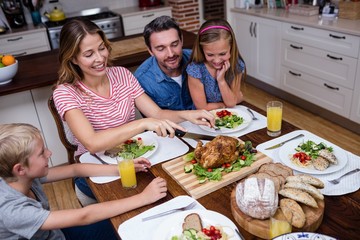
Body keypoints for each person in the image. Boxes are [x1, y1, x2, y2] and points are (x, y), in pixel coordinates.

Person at [52, 18, 214, 206]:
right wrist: (141, 124)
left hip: (136, 161)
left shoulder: (122, 74)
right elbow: (92, 143)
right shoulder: (65, 92)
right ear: (73, 58)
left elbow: (157, 113)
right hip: (97, 172)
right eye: (89, 54)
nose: (99, 58)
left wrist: (188, 115)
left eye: (101, 48)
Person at [0, 123, 167, 240]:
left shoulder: (22, 176)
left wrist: (122, 168)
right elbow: (84, 216)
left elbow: (75, 169)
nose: (49, 153)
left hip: (57, 233)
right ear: (19, 169)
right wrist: (144, 198)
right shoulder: (13, 211)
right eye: (42, 153)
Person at [134, 15, 193, 110]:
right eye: (161, 49)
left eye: (174, 44)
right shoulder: (142, 80)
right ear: (150, 50)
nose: (170, 54)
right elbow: (153, 120)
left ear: (181, 40)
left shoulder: (197, 60)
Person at [186, 19, 246, 111]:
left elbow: (231, 102)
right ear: (202, 50)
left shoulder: (236, 65)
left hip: (230, 115)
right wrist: (232, 101)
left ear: (231, 48)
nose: (217, 61)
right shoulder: (195, 70)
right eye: (210, 55)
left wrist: (221, 81)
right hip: (204, 118)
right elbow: (202, 107)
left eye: (222, 54)